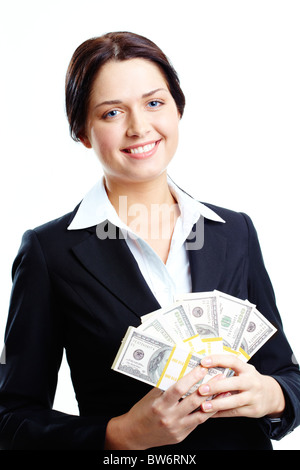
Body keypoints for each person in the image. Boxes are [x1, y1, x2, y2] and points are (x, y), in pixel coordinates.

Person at [0, 31, 299, 451]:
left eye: (154, 103)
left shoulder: (235, 232)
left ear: (178, 109)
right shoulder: (49, 252)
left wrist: (272, 395)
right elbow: (11, 419)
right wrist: (118, 434)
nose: (139, 127)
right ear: (82, 132)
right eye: (111, 113)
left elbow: (288, 376)